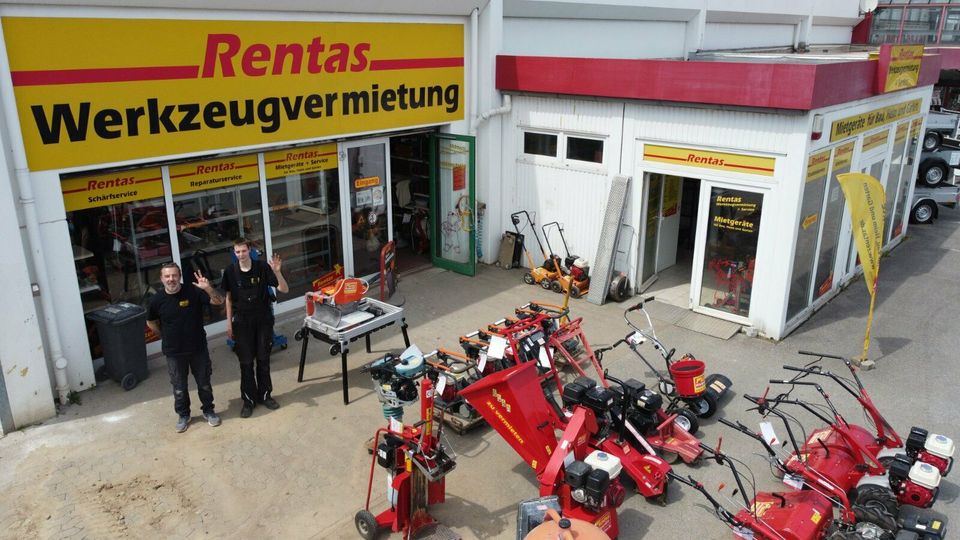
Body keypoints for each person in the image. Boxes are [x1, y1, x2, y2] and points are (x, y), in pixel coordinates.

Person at [146, 262, 225, 433]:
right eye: (167, 276)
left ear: (179, 276)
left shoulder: (194, 291)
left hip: (198, 348)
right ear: (161, 279)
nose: (171, 279)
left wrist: (208, 288)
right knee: (179, 387)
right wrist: (164, 336)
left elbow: (219, 301)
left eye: (174, 275)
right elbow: (150, 322)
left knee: (204, 383)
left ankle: (209, 411)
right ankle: (184, 415)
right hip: (174, 352)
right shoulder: (156, 300)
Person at [222, 238, 289, 418]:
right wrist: (229, 323)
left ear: (249, 250)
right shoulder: (230, 272)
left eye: (243, 251)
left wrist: (278, 271)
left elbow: (284, 289)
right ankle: (248, 400)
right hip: (242, 323)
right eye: (237, 252)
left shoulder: (262, 268)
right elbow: (228, 299)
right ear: (234, 253)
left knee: (263, 360)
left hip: (263, 321)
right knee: (245, 363)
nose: (241, 255)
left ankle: (265, 395)